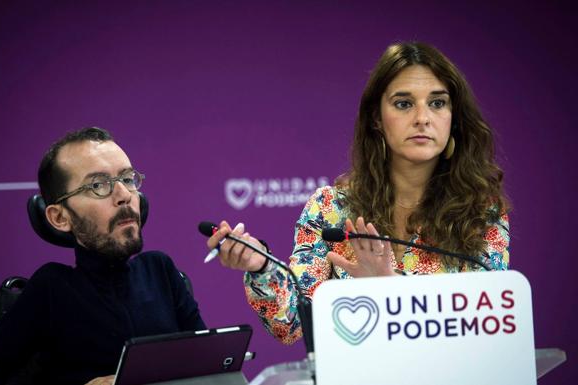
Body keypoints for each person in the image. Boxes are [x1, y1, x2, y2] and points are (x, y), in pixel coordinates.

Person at [206, 42, 510, 345]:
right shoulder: (331, 208)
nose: (422, 118)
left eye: (437, 103)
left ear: (453, 117)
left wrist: (389, 288)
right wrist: (260, 267)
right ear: (377, 118)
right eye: (404, 104)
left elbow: (487, 329)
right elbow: (294, 325)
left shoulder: (482, 212)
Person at [0, 127, 205, 385]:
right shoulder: (51, 287)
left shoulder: (160, 270)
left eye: (128, 179)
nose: (124, 196)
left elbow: (211, 363)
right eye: (98, 185)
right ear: (59, 217)